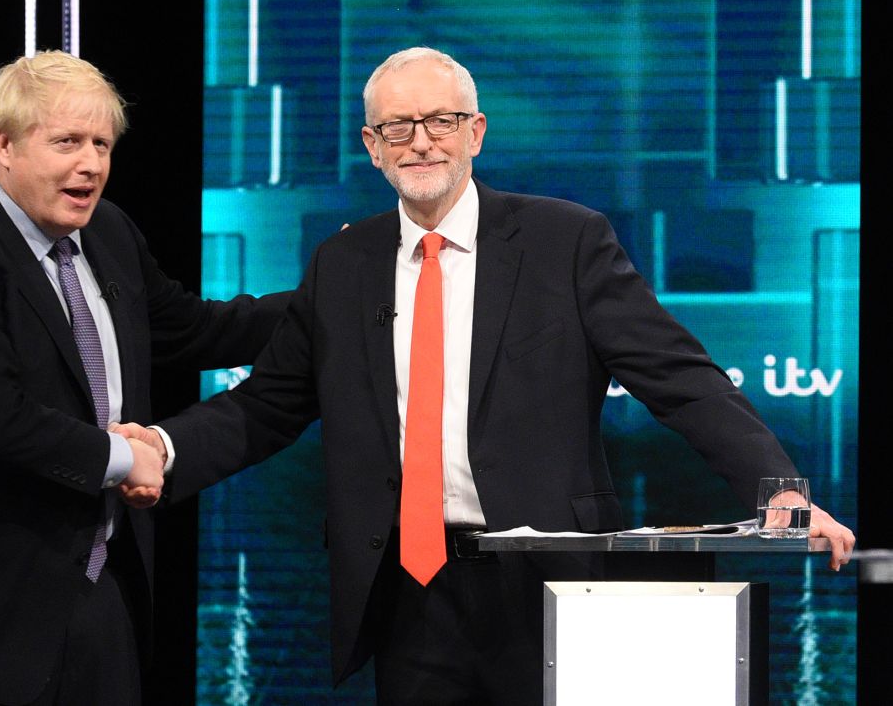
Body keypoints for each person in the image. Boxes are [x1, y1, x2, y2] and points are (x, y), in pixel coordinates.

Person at [115, 47, 856, 703]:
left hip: (548, 581)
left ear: (476, 132)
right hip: (408, 591)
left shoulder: (565, 239)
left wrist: (779, 486)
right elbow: (268, 404)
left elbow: (679, 376)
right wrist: (163, 449)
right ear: (372, 147)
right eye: (398, 127)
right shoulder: (344, 264)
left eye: (441, 120)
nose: (421, 141)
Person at [0, 51, 287, 705]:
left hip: (99, 607)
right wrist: (129, 458)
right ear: (3, 145)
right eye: (67, 142)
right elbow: (0, 418)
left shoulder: (108, 232)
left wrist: (325, 298)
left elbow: (194, 329)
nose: (91, 164)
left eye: (102, 144)